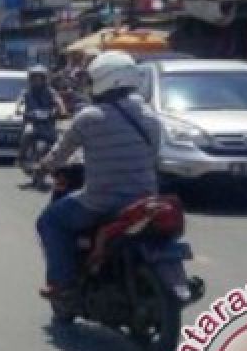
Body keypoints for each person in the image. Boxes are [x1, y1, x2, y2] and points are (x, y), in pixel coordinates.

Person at [33, 51, 160, 298]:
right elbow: (153, 154)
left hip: (101, 202)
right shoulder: (150, 116)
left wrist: (43, 167)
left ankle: (62, 283)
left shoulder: (90, 118)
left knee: (49, 221)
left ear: (104, 80)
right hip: (146, 200)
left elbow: (61, 152)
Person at [17, 65, 67, 162]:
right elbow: (20, 101)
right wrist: (18, 109)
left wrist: (62, 110)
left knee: (57, 139)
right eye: (35, 78)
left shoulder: (50, 91)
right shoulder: (27, 92)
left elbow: (58, 100)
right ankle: (21, 156)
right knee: (27, 133)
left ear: (45, 79)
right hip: (31, 121)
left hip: (48, 122)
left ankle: (59, 160)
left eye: (40, 78)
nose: (37, 80)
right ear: (31, 79)